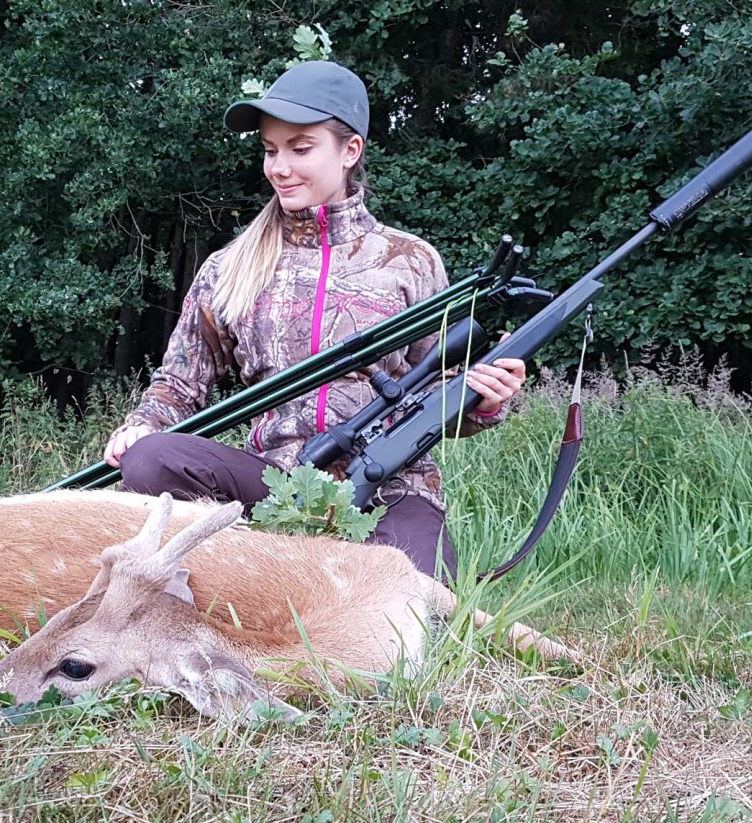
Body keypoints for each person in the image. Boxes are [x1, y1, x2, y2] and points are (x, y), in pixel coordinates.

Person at [104, 60, 526, 581]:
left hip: (391, 484)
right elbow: (178, 384)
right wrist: (143, 425)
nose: (279, 167)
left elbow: (436, 389)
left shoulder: (410, 260)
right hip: (277, 483)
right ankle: (248, 564)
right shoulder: (229, 266)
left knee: (416, 605)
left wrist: (484, 400)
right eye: (270, 149)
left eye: (300, 148)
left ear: (350, 152)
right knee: (149, 460)